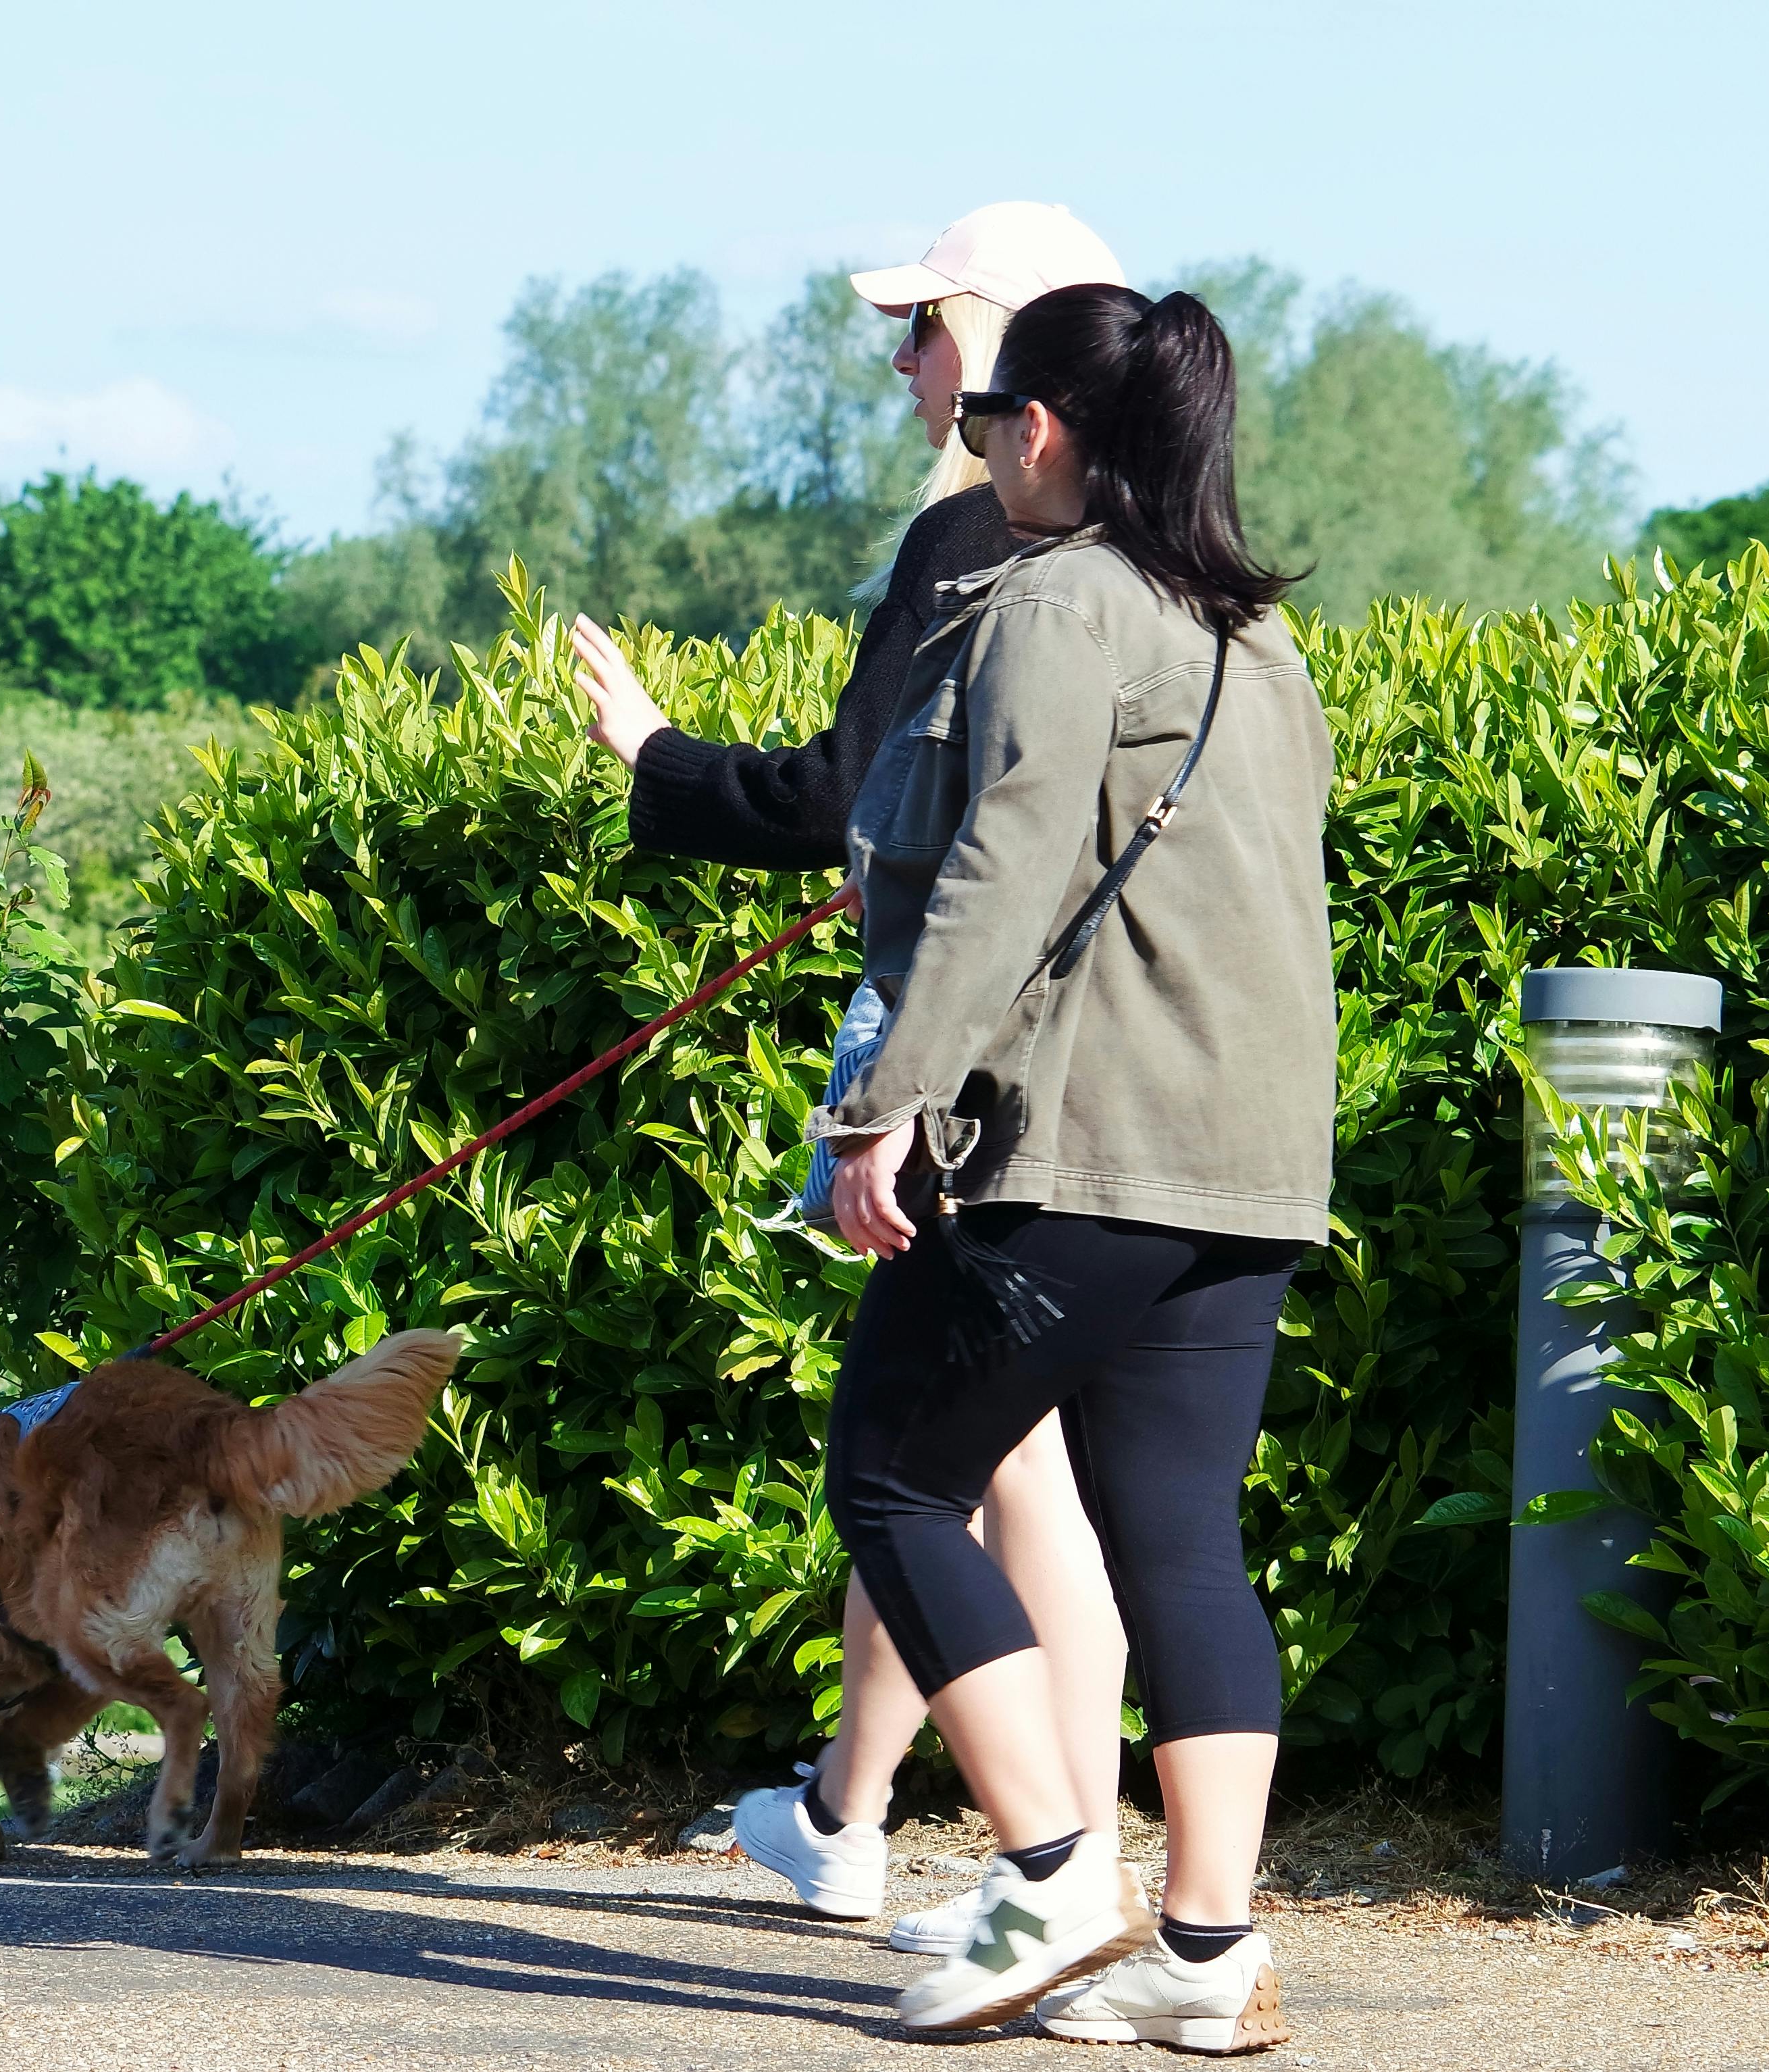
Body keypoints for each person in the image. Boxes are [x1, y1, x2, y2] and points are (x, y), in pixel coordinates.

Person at [567, 205, 1139, 1952]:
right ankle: (868, 1815)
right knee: (971, 1451)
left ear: (1005, 345)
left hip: (965, 1053)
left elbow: (844, 797)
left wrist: (651, 756)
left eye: (921, 328)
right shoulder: (1153, 541)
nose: (900, 363)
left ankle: (1058, 1871)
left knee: (966, 1462)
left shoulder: (978, 529)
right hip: (1106, 1048)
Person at [813, 282, 1331, 2046]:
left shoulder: (1055, 607)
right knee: (1180, 1538)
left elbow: (1000, 867)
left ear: (1039, 427)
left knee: (888, 1470)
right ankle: (1207, 1957)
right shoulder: (1254, 638)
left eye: (978, 425)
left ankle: (1048, 1872)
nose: (968, 454)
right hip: (1251, 1164)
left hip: (1089, 1149)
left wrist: (886, 1096)